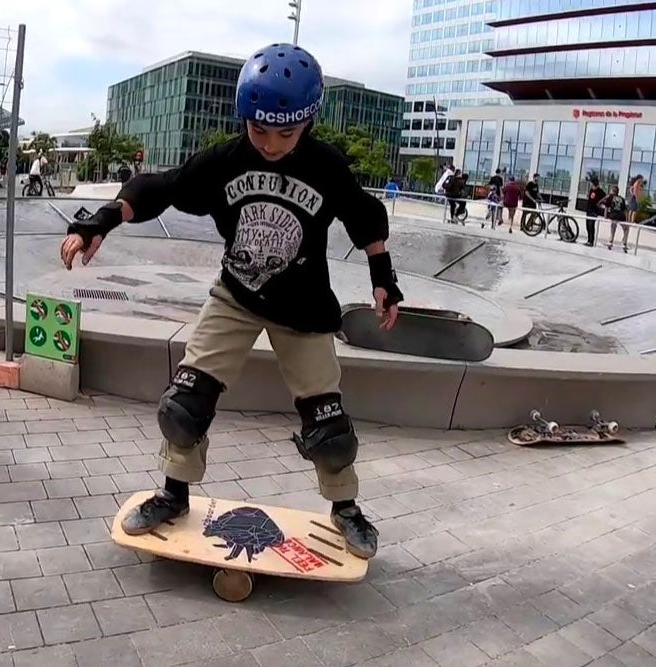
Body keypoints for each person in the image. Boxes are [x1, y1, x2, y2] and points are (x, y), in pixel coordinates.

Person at [58, 43, 402, 559]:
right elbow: (161, 187)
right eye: (258, 129)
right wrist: (103, 219)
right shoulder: (226, 159)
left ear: (307, 121)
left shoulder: (325, 165)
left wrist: (383, 275)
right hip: (235, 295)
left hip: (304, 307)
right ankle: (173, 494)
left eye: (284, 133)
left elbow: (365, 215)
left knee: (328, 427)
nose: (268, 143)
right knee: (184, 405)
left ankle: (345, 508)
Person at [600, 184, 628, 252]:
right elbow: (624, 210)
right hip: (621, 216)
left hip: (613, 215)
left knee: (613, 227)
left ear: (613, 191)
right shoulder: (622, 198)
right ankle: (624, 242)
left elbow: (606, 207)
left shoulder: (610, 197)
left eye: (611, 190)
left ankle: (611, 241)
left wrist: (605, 216)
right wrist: (627, 219)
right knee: (626, 229)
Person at [585, 177, 606, 247]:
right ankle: (588, 240)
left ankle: (591, 241)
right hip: (589, 209)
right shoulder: (591, 190)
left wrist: (600, 202)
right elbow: (590, 197)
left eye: (591, 183)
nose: (591, 185)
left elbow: (606, 197)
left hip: (594, 211)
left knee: (591, 225)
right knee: (587, 226)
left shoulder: (599, 191)